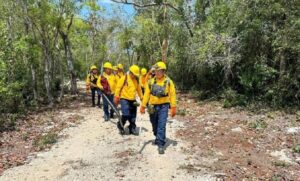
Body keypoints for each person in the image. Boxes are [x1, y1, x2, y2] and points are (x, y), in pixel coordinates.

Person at [140, 61, 177, 154]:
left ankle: (160, 144)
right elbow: (146, 94)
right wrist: (143, 106)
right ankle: (158, 136)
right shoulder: (150, 82)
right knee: (154, 124)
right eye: (155, 71)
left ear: (163, 71)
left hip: (164, 106)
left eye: (159, 71)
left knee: (162, 124)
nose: (157, 73)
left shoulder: (168, 82)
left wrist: (173, 107)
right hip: (152, 106)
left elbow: (172, 95)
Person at [114, 65, 143, 135]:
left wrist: (142, 97)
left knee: (133, 116)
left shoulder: (136, 80)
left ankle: (132, 128)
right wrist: (116, 97)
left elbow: (139, 90)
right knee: (126, 114)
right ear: (131, 72)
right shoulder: (124, 78)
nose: (135, 76)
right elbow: (118, 88)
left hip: (133, 99)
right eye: (134, 74)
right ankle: (120, 125)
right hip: (124, 99)